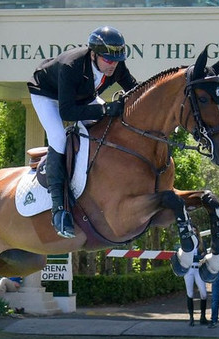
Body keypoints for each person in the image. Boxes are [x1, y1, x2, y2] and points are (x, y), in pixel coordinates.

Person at [27, 26, 138, 239]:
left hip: (80, 97)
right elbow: (67, 111)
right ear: (94, 54)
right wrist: (105, 108)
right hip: (48, 95)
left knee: (108, 123)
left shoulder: (116, 64)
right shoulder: (72, 66)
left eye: (116, 60)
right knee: (59, 138)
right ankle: (59, 209)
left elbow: (134, 90)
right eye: (108, 60)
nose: (113, 65)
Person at [184, 226, 209, 326]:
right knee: (189, 293)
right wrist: (197, 257)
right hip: (189, 269)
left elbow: (204, 255)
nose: (193, 233)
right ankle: (191, 318)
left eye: (195, 231)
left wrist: (196, 257)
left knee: (203, 293)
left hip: (198, 268)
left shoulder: (202, 243)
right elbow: (184, 255)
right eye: (192, 231)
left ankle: (203, 316)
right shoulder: (186, 243)